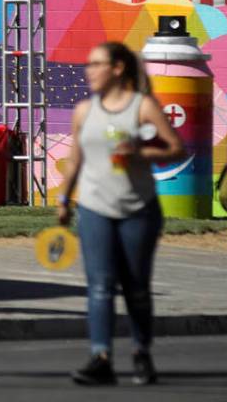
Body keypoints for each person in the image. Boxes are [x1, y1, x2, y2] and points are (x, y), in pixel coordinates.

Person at [53, 41, 185, 386]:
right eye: (88, 64)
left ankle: (141, 351)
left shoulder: (142, 107)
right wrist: (64, 198)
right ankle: (101, 357)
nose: (89, 71)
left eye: (96, 64)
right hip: (94, 207)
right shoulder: (84, 110)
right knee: (99, 286)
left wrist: (141, 152)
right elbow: (76, 158)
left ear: (117, 69)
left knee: (136, 287)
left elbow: (176, 148)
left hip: (138, 209)